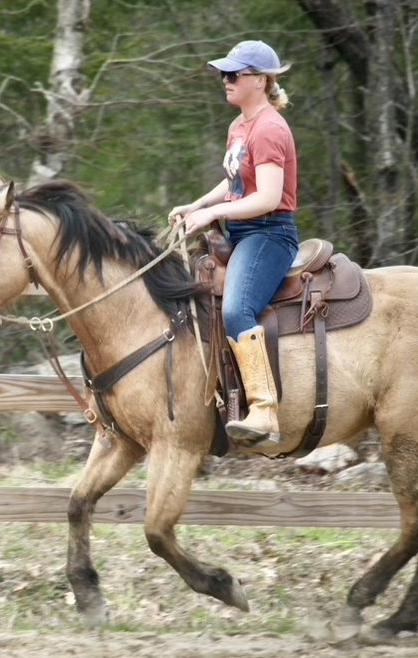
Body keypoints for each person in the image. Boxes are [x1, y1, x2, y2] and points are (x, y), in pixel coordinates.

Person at [168, 40, 299, 448]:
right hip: (241, 231)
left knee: (238, 309)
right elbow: (237, 181)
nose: (225, 81)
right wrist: (200, 203)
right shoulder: (240, 126)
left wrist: (210, 216)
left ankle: (264, 409)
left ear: (260, 81)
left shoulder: (270, 128)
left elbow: (269, 197)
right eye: (223, 73)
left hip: (269, 233)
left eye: (233, 74)